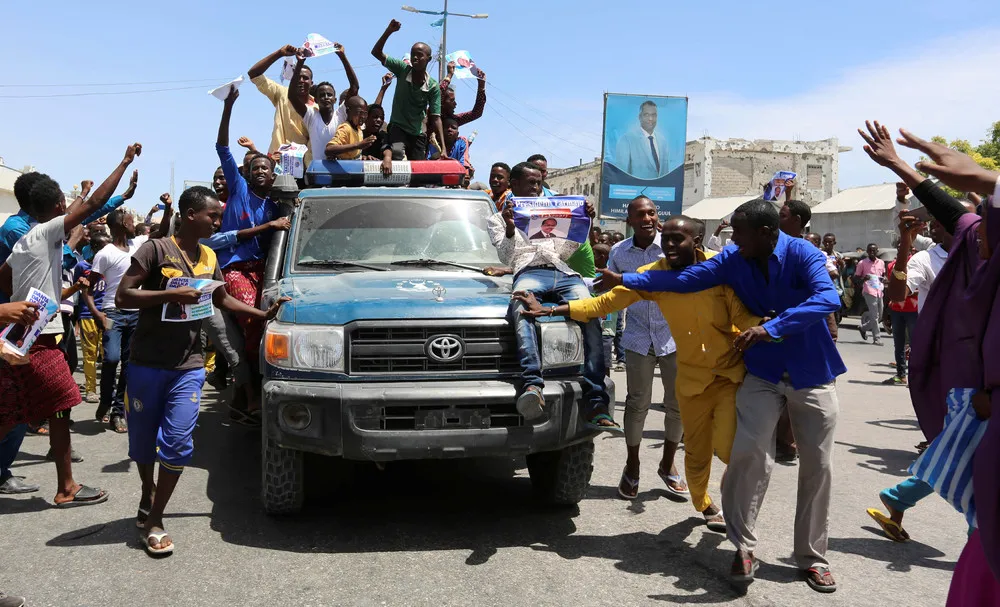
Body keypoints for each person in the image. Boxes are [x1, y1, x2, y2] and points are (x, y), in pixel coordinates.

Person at [599, 198, 844, 592]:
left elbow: (828, 299)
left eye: (739, 235)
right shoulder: (734, 258)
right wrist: (627, 280)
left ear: (766, 233)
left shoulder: (803, 253)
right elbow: (686, 280)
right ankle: (742, 547)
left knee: (817, 466)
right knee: (749, 457)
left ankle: (812, 558)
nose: (731, 242)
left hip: (812, 373)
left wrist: (771, 328)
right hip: (762, 373)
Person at [521, 215, 763, 530]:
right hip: (693, 379)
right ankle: (704, 503)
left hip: (730, 374)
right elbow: (604, 304)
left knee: (729, 448)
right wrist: (552, 309)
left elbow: (745, 313)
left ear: (697, 241)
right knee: (698, 451)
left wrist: (766, 329)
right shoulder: (652, 277)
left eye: (680, 239)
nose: (672, 245)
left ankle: (736, 504)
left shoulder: (718, 269)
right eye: (669, 239)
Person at [856, 121, 1000, 604]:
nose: (973, 228)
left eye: (987, 219)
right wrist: (899, 164)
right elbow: (955, 218)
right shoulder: (971, 247)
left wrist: (984, 180)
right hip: (968, 389)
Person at [116, 186, 289, 556]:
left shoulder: (210, 255)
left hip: (189, 365)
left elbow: (220, 297)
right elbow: (123, 296)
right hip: (146, 363)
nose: (217, 221)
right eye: (212, 215)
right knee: (143, 444)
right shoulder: (155, 249)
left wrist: (261, 314)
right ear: (191, 213)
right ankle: (148, 492)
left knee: (178, 444)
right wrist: (169, 295)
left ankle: (156, 518)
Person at [0, 144, 140, 508]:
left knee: (17, 412)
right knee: (60, 402)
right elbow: (94, 204)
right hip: (39, 340)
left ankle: (66, 486)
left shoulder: (26, 240)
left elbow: (5, 280)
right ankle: (66, 488)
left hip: (23, 338)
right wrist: (123, 162)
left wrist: (52, 293)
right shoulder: (45, 232)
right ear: (60, 206)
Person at [486, 162, 617, 431]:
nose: (537, 188)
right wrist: (511, 228)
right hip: (529, 271)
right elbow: (506, 256)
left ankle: (596, 399)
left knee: (590, 312)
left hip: (562, 271)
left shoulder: (551, 209)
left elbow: (566, 251)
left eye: (539, 183)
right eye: (531, 183)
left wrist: (584, 219)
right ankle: (532, 383)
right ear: (514, 184)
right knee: (522, 309)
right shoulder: (497, 218)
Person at [604, 196, 688, 500]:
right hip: (638, 337)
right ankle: (633, 464)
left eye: (651, 212)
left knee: (677, 403)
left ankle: (668, 463)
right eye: (640, 214)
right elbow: (611, 291)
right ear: (629, 220)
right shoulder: (618, 252)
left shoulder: (673, 246)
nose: (647, 218)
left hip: (673, 337)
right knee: (637, 402)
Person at [216, 86, 278, 417]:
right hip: (237, 269)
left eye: (264, 169)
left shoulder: (277, 202)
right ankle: (251, 391)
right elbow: (222, 146)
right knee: (253, 322)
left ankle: (247, 387)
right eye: (254, 169)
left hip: (265, 270)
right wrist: (228, 106)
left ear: (273, 175)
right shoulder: (239, 188)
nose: (258, 172)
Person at [370, 19, 446, 173]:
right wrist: (389, 31)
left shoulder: (432, 86)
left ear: (428, 59)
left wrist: (443, 147)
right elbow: (376, 52)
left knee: (419, 171)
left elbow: (436, 117)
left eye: (420, 55)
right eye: (413, 55)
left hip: (417, 133)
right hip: (398, 127)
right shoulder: (402, 70)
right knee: (397, 154)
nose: (415, 58)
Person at [91, 207, 142, 432]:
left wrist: (168, 208)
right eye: (131, 222)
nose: (134, 225)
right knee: (111, 359)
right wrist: (97, 313)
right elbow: (87, 289)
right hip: (112, 313)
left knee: (129, 366)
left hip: (136, 314)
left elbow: (164, 231)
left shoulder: (137, 246)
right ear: (121, 224)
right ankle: (105, 399)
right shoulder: (104, 254)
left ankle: (117, 412)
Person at [288, 46, 361, 163]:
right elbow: (292, 96)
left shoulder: (341, 114)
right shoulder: (311, 116)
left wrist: (343, 57)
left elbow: (354, 87)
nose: (326, 97)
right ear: (315, 100)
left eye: (329, 95)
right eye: (322, 95)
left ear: (335, 99)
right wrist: (300, 63)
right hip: (319, 172)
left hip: (340, 170)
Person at [248, 45, 318, 165]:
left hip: (302, 166)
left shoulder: (317, 108)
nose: (301, 80)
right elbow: (254, 74)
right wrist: (279, 53)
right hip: (275, 161)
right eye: (298, 77)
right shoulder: (282, 94)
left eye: (305, 78)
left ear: (312, 83)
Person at [75, 231, 110, 403]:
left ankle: (106, 388)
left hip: (108, 314)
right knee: (90, 354)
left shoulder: (111, 264)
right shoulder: (82, 267)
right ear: (95, 248)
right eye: (105, 247)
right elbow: (78, 292)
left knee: (109, 354)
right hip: (88, 315)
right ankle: (91, 389)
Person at [883, 251, 918, 386]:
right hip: (896, 310)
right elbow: (889, 289)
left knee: (916, 345)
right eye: (899, 247)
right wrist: (885, 311)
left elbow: (920, 287)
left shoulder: (916, 263)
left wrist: (904, 292)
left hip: (914, 310)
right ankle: (901, 375)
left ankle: (914, 377)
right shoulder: (892, 265)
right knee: (899, 344)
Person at [614, 100, 671, 179]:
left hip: (659, 190)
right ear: (640, 117)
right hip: (637, 190)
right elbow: (621, 175)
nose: (650, 118)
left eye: (654, 115)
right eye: (646, 115)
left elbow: (665, 173)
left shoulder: (663, 141)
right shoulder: (627, 140)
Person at [326, 96, 377, 161]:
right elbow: (329, 150)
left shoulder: (358, 129)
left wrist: (363, 157)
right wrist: (358, 145)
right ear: (348, 111)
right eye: (359, 112)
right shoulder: (345, 128)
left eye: (365, 113)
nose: (363, 116)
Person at [855, 243, 886, 346]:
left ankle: (863, 328)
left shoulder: (881, 262)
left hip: (879, 291)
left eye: (874, 250)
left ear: (877, 251)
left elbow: (883, 276)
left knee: (880, 315)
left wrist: (884, 280)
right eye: (870, 251)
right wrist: (864, 279)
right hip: (869, 291)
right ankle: (877, 338)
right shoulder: (862, 263)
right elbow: (856, 278)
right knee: (874, 315)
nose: (872, 252)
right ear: (867, 251)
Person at [440, 62, 487, 127]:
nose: (455, 104)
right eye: (452, 100)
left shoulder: (455, 119)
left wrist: (481, 86)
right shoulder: (431, 116)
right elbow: (439, 92)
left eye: (453, 127)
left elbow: (476, 113)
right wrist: (449, 75)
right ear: (442, 101)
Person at [360, 73, 394, 159]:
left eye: (382, 118)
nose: (379, 120)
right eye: (374, 117)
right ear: (365, 118)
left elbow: (387, 149)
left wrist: (387, 158)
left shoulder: (383, 137)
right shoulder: (357, 135)